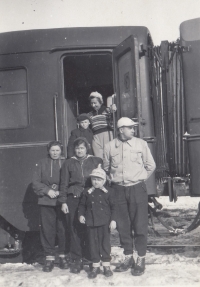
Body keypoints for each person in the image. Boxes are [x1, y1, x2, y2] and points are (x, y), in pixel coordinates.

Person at [103, 117, 156, 276]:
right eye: (130, 128)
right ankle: (128, 257)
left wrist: (139, 179)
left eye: (134, 128)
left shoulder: (141, 144)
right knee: (122, 225)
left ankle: (140, 258)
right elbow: (106, 168)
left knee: (139, 224)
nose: (133, 130)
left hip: (137, 189)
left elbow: (151, 165)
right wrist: (113, 181)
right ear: (121, 130)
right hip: (118, 190)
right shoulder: (109, 146)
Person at [58, 137, 102, 273]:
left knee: (89, 228)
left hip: (90, 197)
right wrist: (63, 201)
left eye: (82, 148)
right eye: (77, 148)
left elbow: (101, 179)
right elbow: (64, 183)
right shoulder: (68, 163)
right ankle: (76, 259)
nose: (79, 150)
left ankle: (90, 258)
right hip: (73, 198)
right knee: (74, 228)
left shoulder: (95, 161)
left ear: (86, 148)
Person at [32, 141, 69, 272]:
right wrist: (48, 191)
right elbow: (35, 182)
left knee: (62, 229)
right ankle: (49, 258)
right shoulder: (42, 163)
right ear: (48, 151)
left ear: (61, 151)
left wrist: (60, 192)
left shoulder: (66, 162)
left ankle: (63, 256)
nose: (55, 153)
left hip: (61, 201)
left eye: (57, 150)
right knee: (48, 230)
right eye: (52, 150)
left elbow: (70, 180)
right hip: (46, 201)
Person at [78, 164, 117, 279]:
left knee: (105, 244)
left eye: (99, 180)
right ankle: (95, 265)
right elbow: (82, 206)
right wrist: (81, 215)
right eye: (94, 179)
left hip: (104, 222)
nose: (96, 182)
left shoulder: (108, 192)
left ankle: (106, 265)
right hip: (91, 222)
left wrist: (113, 220)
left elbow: (114, 207)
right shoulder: (87, 192)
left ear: (104, 181)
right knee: (92, 244)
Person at [88, 91, 116, 159]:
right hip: (95, 136)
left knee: (109, 154)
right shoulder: (90, 114)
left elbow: (113, 116)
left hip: (107, 133)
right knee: (98, 156)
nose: (93, 105)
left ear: (100, 102)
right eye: (92, 103)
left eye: (95, 103)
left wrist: (113, 109)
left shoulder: (107, 110)